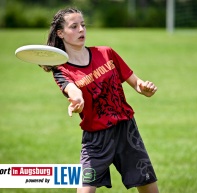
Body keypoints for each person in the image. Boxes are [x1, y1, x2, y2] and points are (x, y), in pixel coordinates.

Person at [40, 7, 159, 193]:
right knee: (85, 189)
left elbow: (136, 83)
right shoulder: (61, 71)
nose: (81, 30)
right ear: (60, 33)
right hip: (96, 139)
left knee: (150, 189)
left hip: (126, 131)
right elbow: (73, 91)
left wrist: (144, 88)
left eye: (83, 25)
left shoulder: (106, 53)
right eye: (74, 26)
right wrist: (77, 101)